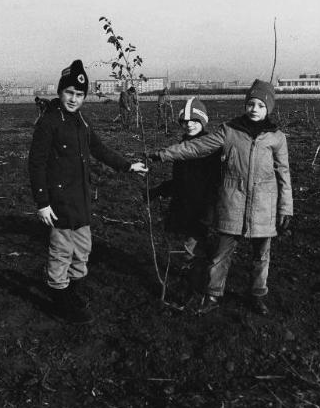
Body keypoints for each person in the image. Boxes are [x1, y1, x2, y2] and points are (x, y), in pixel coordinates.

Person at [149, 80, 292, 316]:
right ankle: (214, 294)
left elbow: (283, 174)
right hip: (233, 204)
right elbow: (196, 148)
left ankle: (257, 295)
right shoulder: (230, 131)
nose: (254, 109)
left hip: (264, 207)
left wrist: (286, 208)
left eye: (260, 105)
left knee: (262, 255)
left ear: (268, 109)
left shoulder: (277, 138)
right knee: (220, 254)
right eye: (250, 104)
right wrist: (161, 154)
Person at [29, 59, 148, 324]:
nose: (73, 99)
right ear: (60, 92)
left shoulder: (81, 121)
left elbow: (100, 149)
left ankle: (73, 291)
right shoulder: (49, 122)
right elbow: (35, 164)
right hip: (59, 201)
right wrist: (42, 202)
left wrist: (127, 165)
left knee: (83, 249)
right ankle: (59, 300)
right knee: (61, 251)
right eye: (69, 93)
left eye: (79, 94)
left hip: (80, 199)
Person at [148, 98, 220, 272]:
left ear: (203, 121)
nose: (189, 125)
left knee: (195, 247)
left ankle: (196, 281)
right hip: (186, 206)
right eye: (185, 122)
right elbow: (181, 180)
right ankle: (193, 276)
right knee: (192, 246)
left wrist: (209, 209)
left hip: (203, 208)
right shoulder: (181, 147)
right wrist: (158, 191)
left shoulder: (211, 148)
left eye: (194, 121)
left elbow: (215, 181)